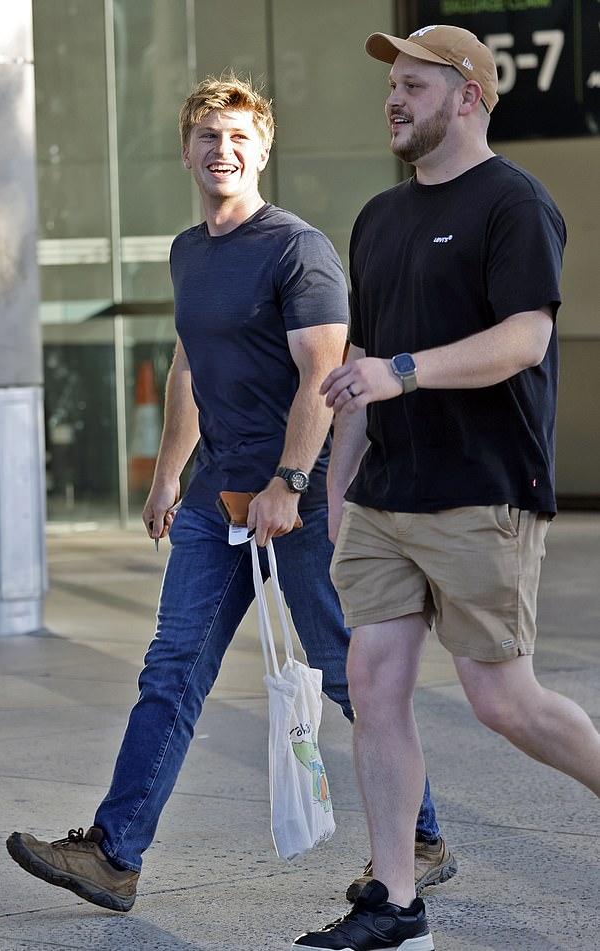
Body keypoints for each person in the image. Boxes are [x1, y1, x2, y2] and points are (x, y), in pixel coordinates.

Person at [6, 73, 455, 914]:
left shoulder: (296, 247)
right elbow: (186, 366)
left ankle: (421, 837)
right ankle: (114, 852)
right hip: (217, 500)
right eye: (209, 136)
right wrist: (170, 470)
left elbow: (321, 370)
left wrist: (290, 480)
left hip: (303, 497)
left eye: (240, 137)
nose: (224, 150)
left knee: (346, 672)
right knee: (171, 669)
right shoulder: (188, 251)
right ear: (186, 150)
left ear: (264, 150)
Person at [292, 24, 600, 951]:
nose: (396, 99)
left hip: (483, 489)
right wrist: (335, 495)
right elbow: (356, 376)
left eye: (416, 85)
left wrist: (406, 371)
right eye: (393, 86)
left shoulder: (516, 203)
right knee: (373, 682)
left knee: (504, 701)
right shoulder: (379, 219)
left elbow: (525, 340)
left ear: (469, 96)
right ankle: (394, 899)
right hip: (386, 497)